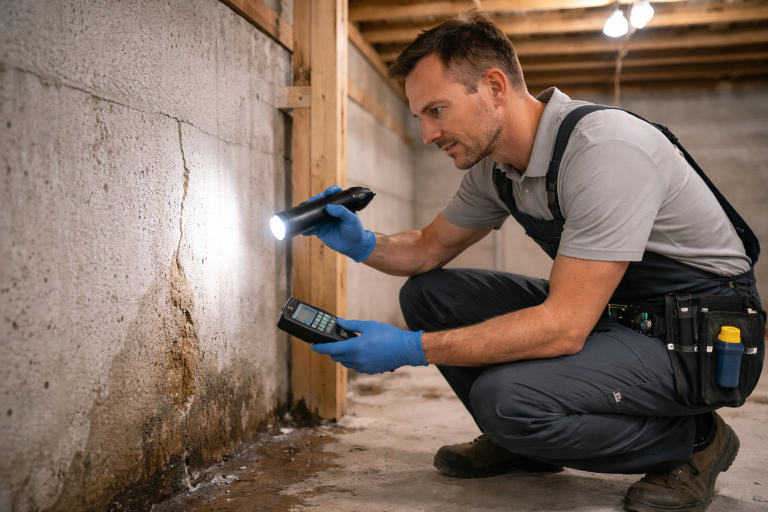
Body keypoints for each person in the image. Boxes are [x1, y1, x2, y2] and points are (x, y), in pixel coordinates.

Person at [304, 10, 764, 512]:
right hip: (614, 313)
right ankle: (524, 444)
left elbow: (564, 327)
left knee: (507, 399)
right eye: (420, 117)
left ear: (494, 87)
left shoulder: (603, 149)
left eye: (437, 110)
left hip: (696, 339)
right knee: (429, 294)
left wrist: (411, 349)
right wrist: (362, 243)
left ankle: (697, 441)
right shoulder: (496, 170)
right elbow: (427, 248)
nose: (428, 134)